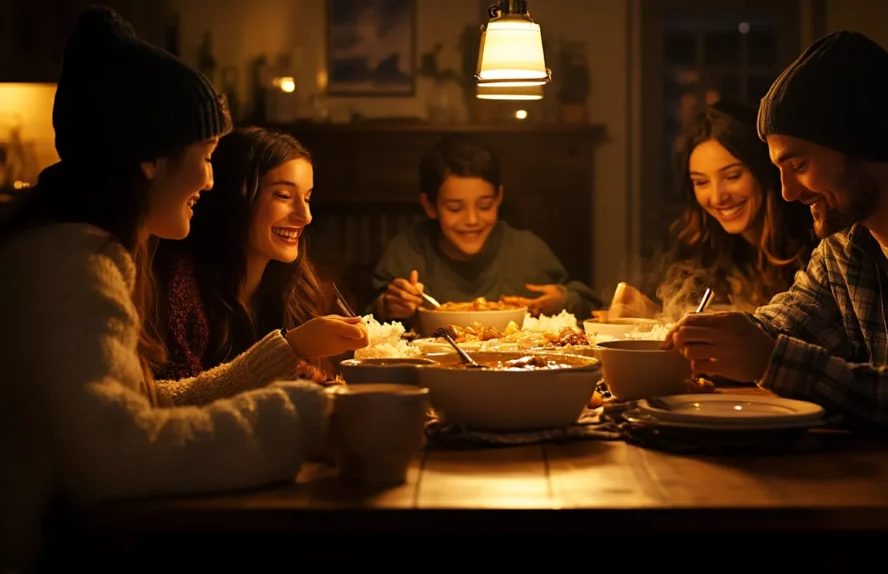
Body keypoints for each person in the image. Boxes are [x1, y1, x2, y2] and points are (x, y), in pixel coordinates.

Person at [0, 8, 366, 571]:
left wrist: (285, 364)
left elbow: (146, 403)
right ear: (151, 159)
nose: (210, 180)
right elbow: (115, 456)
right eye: (208, 156)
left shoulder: (88, 247)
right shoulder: (71, 261)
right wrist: (299, 420)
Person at [667, 31, 888, 491]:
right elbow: (778, 327)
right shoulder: (848, 240)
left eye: (797, 165)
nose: (788, 193)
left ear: (861, 143)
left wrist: (772, 360)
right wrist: (698, 344)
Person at [155, 126, 343, 382]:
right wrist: (289, 348)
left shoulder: (296, 287)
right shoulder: (179, 282)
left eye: (307, 198)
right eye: (283, 195)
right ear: (235, 198)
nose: (305, 216)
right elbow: (178, 398)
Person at [370, 136, 603, 323]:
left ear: (499, 198)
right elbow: (364, 320)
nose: (472, 220)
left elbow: (594, 309)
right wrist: (387, 306)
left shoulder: (527, 251)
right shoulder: (407, 251)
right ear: (430, 206)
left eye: (484, 206)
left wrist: (562, 300)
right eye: (454, 208)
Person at [661, 100, 816, 313]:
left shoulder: (814, 250)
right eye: (701, 182)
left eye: (732, 176)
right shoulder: (710, 251)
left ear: (765, 170)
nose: (717, 198)